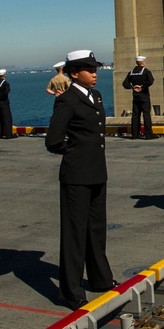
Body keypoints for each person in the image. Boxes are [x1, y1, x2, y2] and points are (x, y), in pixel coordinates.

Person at [44, 50, 117, 309]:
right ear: (75, 74)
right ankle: (71, 290)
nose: (95, 74)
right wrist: (74, 153)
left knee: (96, 228)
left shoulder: (95, 96)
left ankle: (100, 279)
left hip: (97, 172)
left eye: (96, 69)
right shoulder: (67, 100)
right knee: (74, 233)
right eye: (90, 70)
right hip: (76, 174)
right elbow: (53, 141)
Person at [122, 55, 155, 139]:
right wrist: (142, 87)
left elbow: (125, 84)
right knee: (146, 115)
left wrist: (133, 87)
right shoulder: (146, 71)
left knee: (135, 115)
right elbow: (151, 81)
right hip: (144, 95)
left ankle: (135, 134)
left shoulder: (131, 72)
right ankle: (149, 134)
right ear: (143, 62)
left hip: (135, 96)